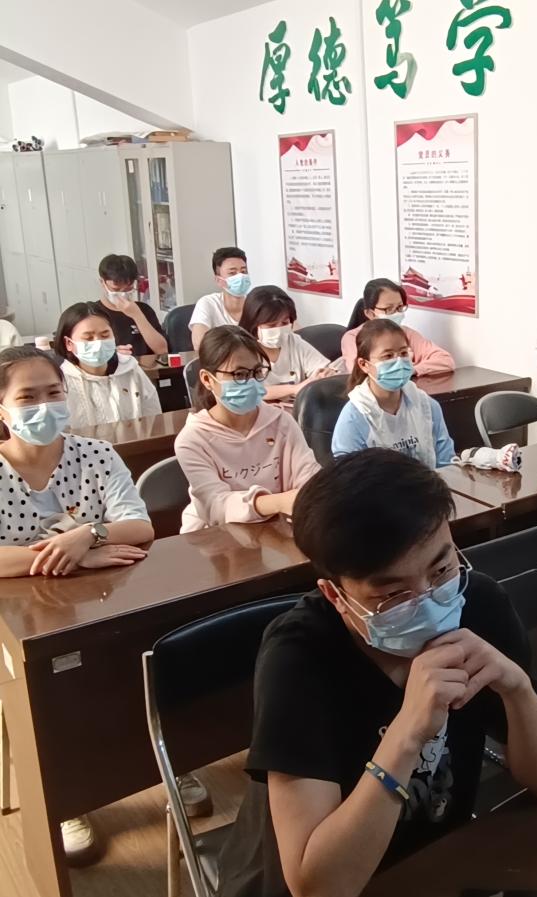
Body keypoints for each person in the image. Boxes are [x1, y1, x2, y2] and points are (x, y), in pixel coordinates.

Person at [215, 448, 537, 897]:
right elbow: (318, 887)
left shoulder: (477, 603)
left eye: (441, 568)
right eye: (393, 595)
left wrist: (517, 689)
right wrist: (406, 735)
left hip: (433, 865)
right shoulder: (299, 656)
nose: (429, 601)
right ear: (335, 595)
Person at [0, 346, 154, 864]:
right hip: (16, 620)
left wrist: (88, 534)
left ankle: (163, 764)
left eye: (53, 393)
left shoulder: (96, 454)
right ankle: (68, 798)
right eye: (27, 397)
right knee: (55, 679)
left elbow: (139, 526)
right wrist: (72, 555)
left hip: (100, 604)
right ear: (2, 409)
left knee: (147, 654)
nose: (44, 406)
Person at [174, 326, 320, 533]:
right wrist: (277, 502)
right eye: (240, 374)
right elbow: (216, 506)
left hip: (279, 528)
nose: (251, 382)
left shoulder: (281, 421)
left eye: (257, 372)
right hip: (215, 536)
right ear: (207, 379)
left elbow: (309, 477)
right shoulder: (193, 439)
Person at [332, 320, 455, 469]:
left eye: (403, 353)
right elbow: (348, 477)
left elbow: (446, 464)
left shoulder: (427, 405)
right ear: (364, 365)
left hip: (429, 483)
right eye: (388, 356)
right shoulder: (354, 416)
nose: (399, 362)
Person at [55, 302, 161, 429]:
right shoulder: (61, 381)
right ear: (69, 343)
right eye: (88, 338)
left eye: (105, 335)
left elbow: (153, 416)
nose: (99, 343)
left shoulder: (129, 368)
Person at [341, 278, 455, 377]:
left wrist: (412, 370)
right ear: (370, 313)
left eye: (400, 307)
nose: (396, 313)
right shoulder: (353, 337)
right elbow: (359, 373)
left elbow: (446, 360)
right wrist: (402, 366)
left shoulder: (406, 333)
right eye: (389, 309)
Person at [238, 285, 332, 401]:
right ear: (253, 324)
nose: (278, 329)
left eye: (284, 323)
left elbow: (322, 368)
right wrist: (294, 389)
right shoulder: (240, 350)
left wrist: (324, 374)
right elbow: (248, 390)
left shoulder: (293, 341)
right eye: (271, 325)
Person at [96, 254, 168, 356]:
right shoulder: (93, 313)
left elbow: (162, 350)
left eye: (128, 289)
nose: (122, 294)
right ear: (102, 282)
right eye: (116, 289)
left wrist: (137, 315)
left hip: (145, 365)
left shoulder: (144, 310)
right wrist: (110, 354)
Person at [189, 247, 251, 350]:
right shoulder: (208, 303)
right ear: (218, 280)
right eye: (232, 273)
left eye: (243, 271)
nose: (240, 277)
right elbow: (200, 344)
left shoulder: (256, 303)